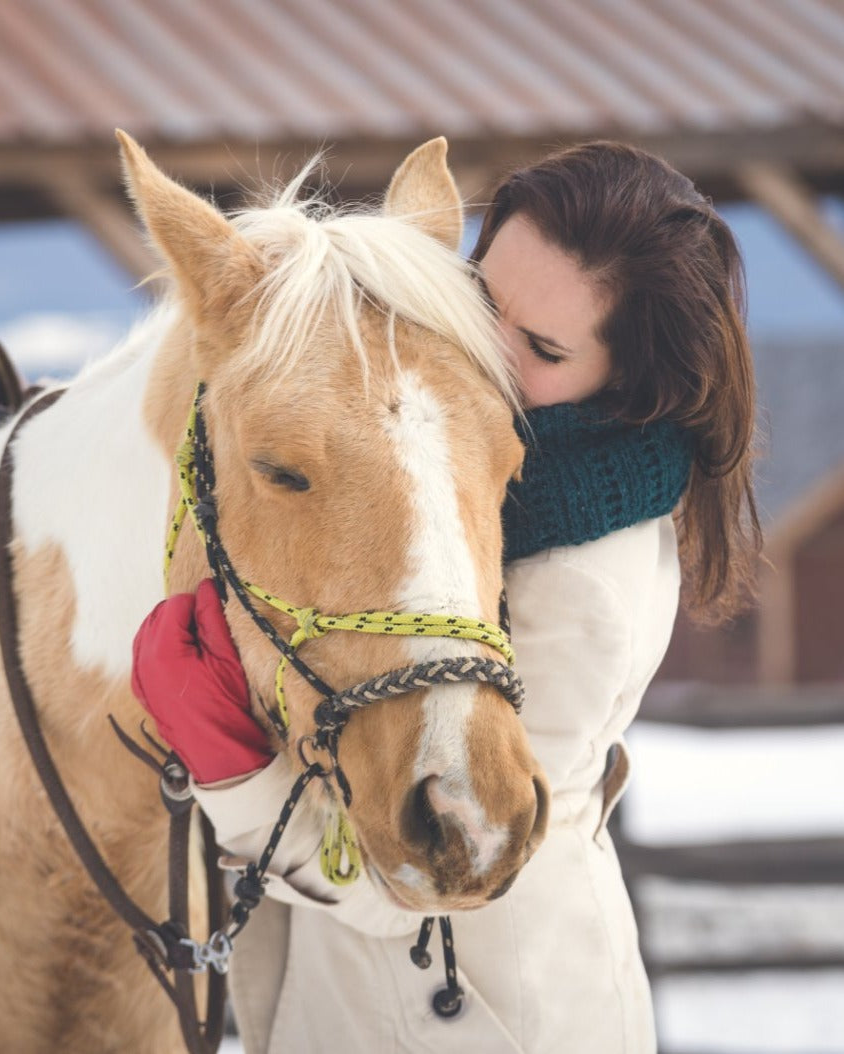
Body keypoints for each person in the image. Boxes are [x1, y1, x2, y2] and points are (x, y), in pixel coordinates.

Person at [131, 141, 761, 1053]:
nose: (486, 353)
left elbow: (433, 876)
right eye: (475, 301)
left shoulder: (584, 575)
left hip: (485, 1016)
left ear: (625, 383)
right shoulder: (440, 473)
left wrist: (232, 775)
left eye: (543, 349)